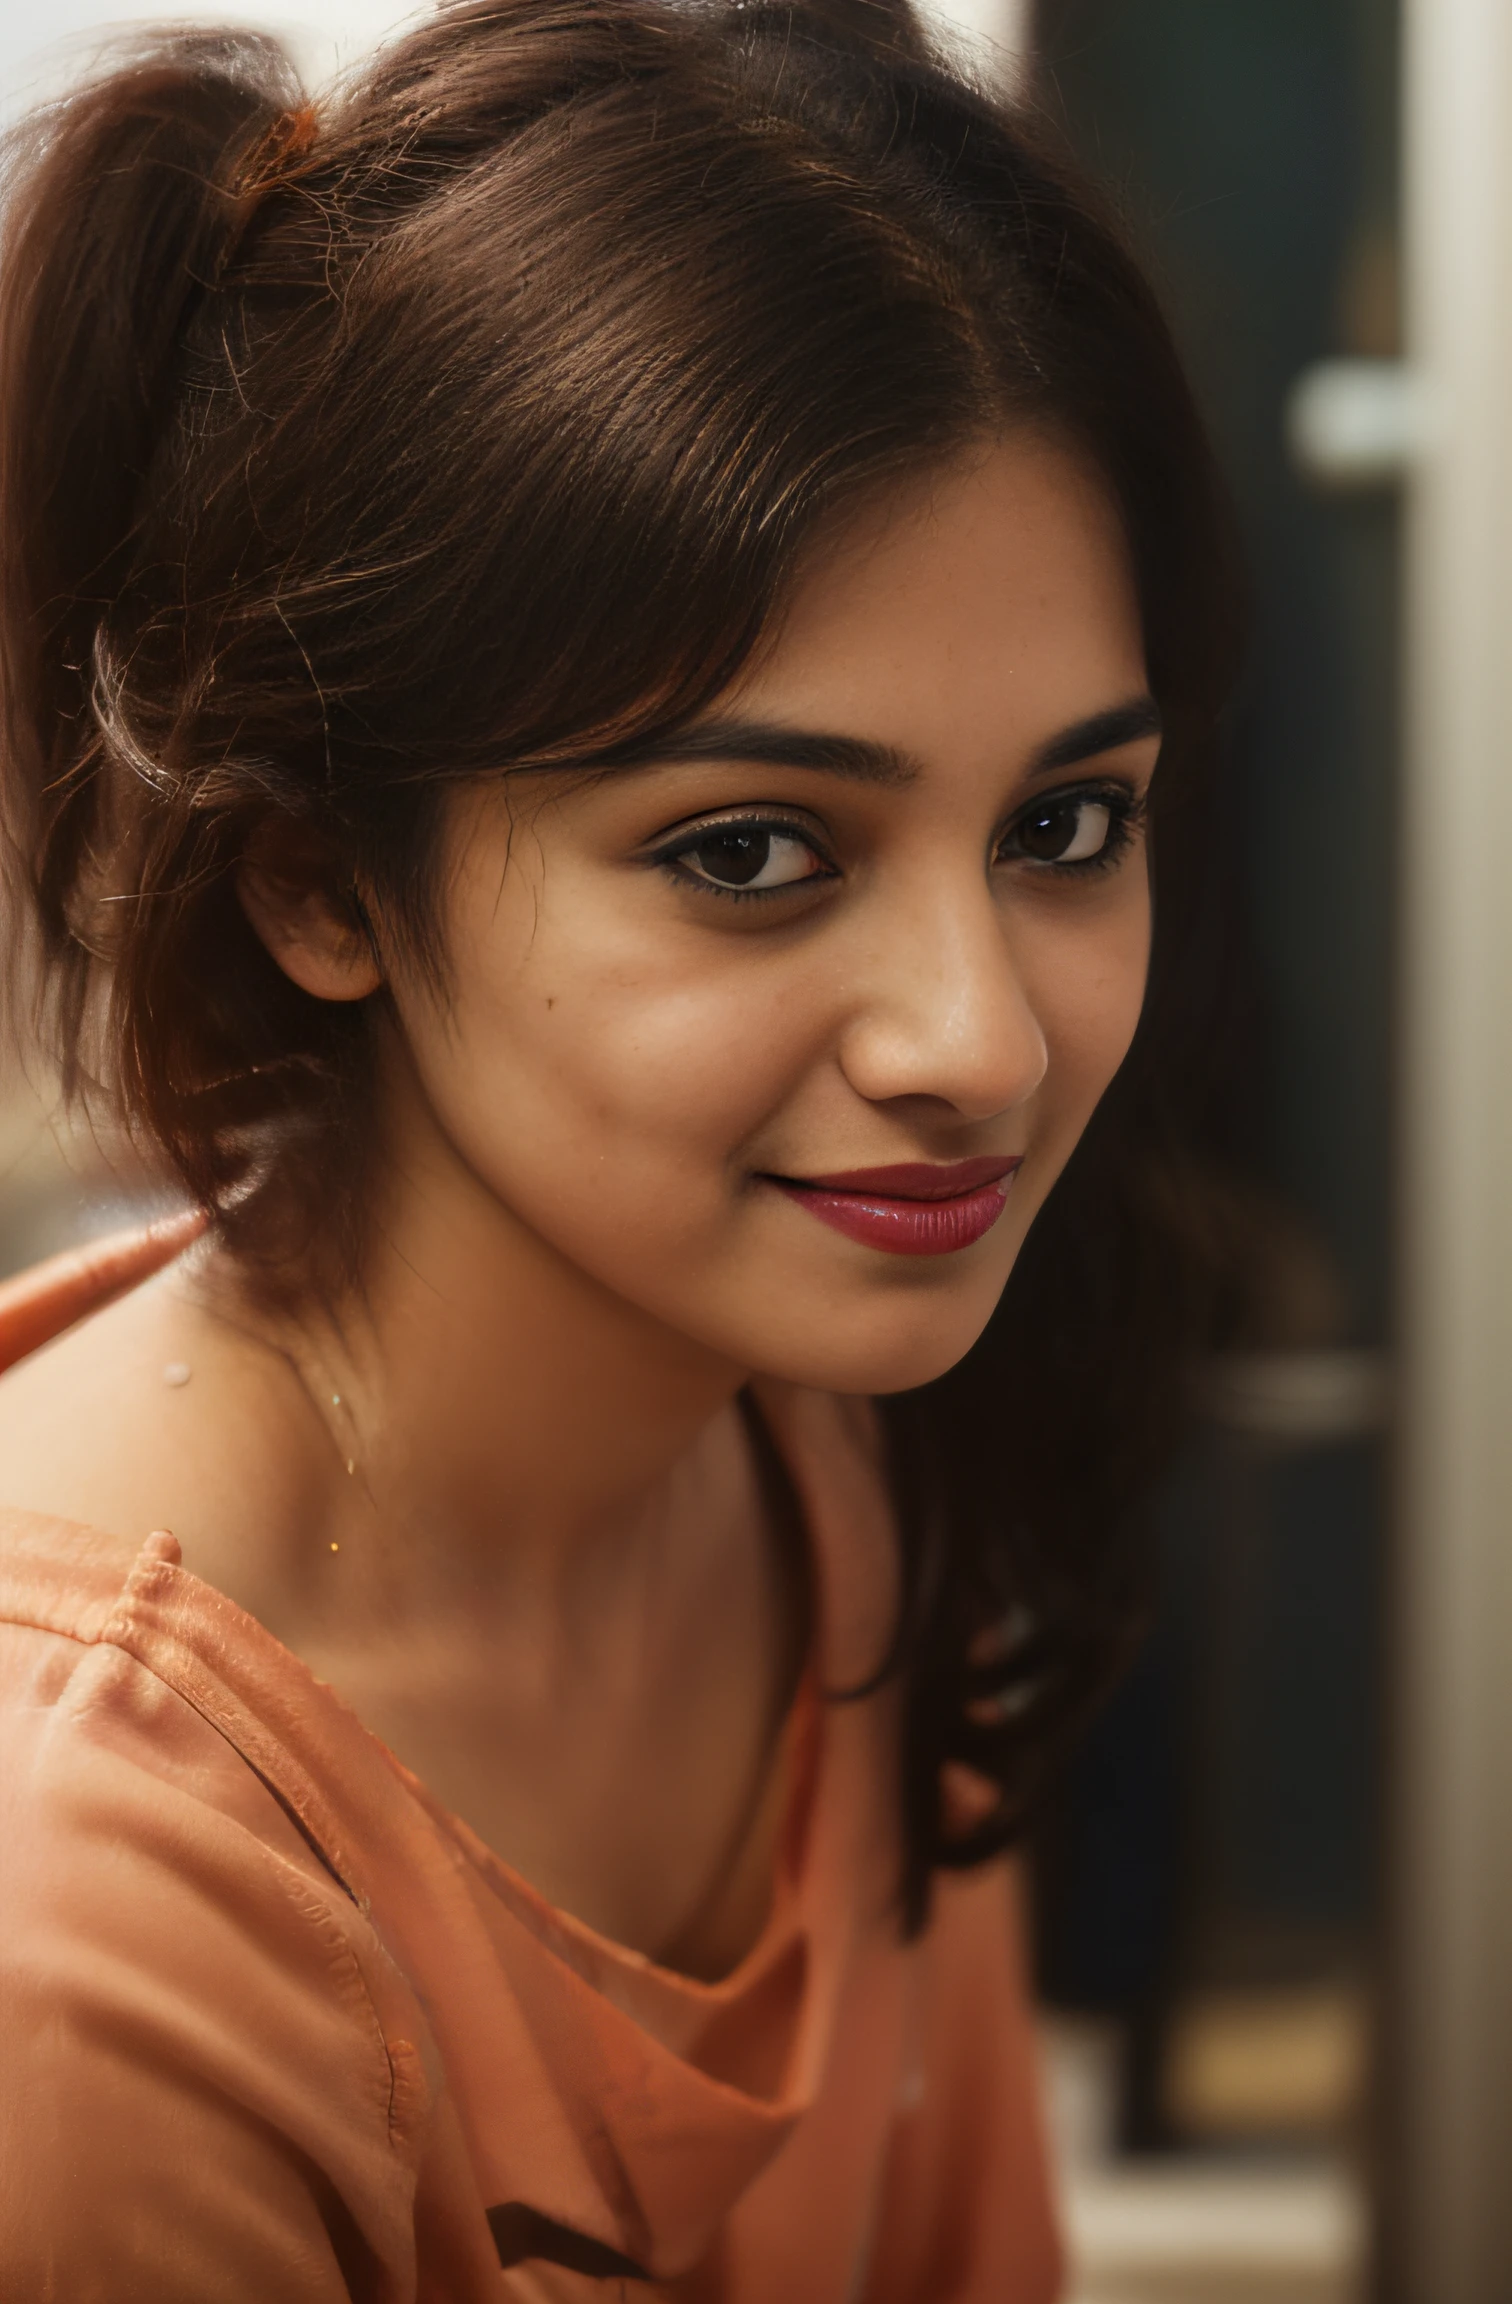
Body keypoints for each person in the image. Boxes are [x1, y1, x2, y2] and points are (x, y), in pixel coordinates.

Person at [0, 0, 1235, 2294]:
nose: (980, 1042)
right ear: (318, 885)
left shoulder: (826, 1460)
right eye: (754, 850)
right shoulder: (89, 1922)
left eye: (1070, 821)